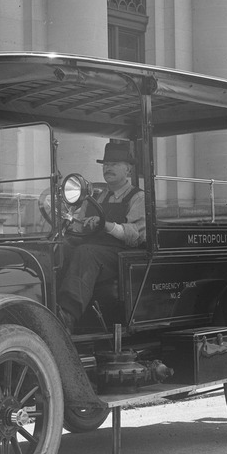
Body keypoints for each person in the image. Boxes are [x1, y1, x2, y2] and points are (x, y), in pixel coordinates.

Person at [57, 139, 146, 328]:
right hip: (94, 248)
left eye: (114, 164)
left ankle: (68, 315)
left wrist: (105, 225)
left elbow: (134, 235)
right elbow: (77, 227)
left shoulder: (138, 197)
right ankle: (50, 303)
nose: (108, 168)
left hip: (121, 255)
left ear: (128, 170)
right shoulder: (95, 197)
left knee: (86, 252)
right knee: (59, 246)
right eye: (106, 164)